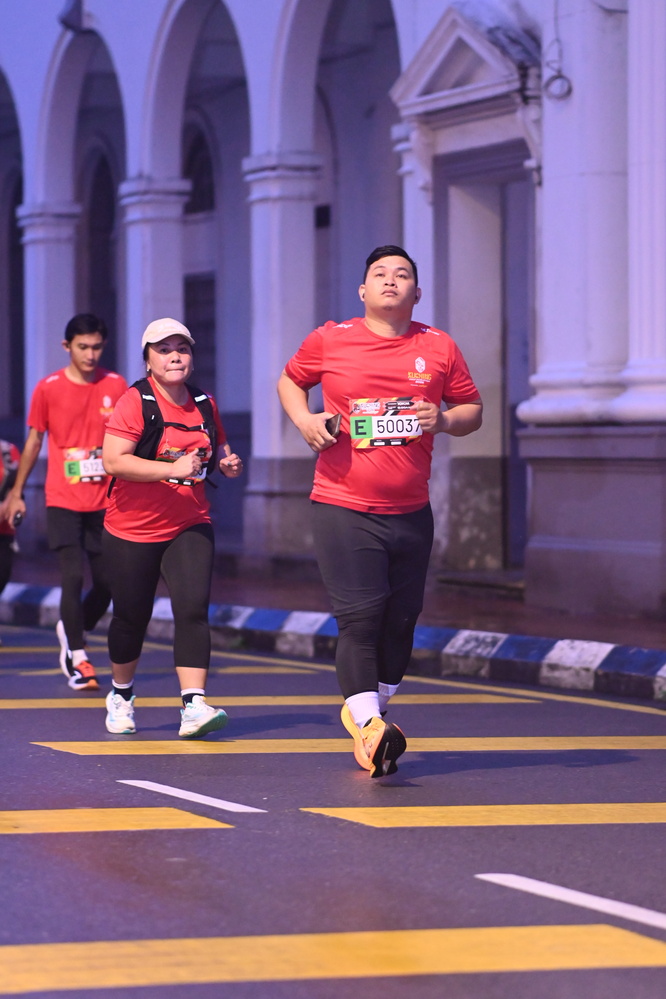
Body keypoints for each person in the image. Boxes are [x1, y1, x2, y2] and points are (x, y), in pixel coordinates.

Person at [278, 245, 483, 778]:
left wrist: (442, 420)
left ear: (417, 292)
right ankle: (370, 725)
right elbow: (290, 380)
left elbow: (472, 409)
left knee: (400, 623)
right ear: (363, 290)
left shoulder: (439, 346)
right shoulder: (331, 339)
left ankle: (371, 722)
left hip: (411, 509)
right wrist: (305, 420)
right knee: (361, 617)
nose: (391, 280)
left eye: (402, 274)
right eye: (380, 273)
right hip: (343, 505)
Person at [101, 317, 243, 739]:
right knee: (131, 617)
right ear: (148, 360)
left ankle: (193, 705)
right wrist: (171, 468)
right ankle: (121, 694)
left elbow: (216, 442)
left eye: (182, 348)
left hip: (189, 522)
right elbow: (114, 461)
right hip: (132, 528)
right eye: (163, 350)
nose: (175, 356)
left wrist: (226, 461)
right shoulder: (135, 402)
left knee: (193, 609)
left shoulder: (203, 402)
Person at [2, 314, 127, 688]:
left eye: (96, 347)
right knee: (71, 576)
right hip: (63, 499)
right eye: (82, 347)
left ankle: (74, 627)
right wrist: (17, 492)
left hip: (105, 501)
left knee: (108, 583)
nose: (90, 355)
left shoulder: (116, 384)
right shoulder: (48, 388)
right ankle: (78, 656)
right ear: (66, 346)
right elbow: (33, 442)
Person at [0, 439, 21, 617]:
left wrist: (7, 504)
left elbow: (16, 487)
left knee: (3, 574)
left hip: (4, 527)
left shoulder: (9, 451)